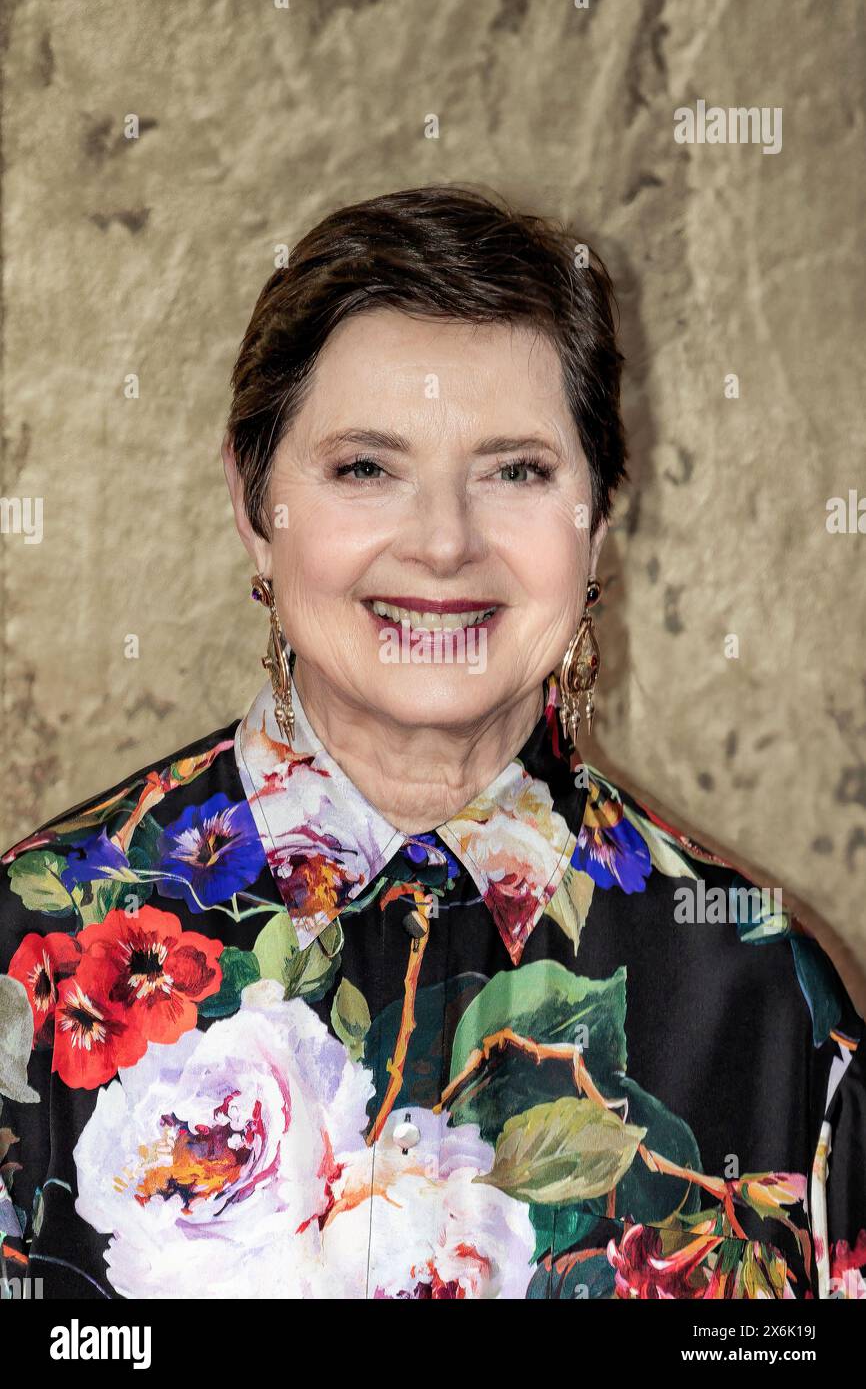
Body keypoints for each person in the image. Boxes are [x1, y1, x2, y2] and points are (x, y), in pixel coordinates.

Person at [1, 184, 863, 1300]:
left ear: (595, 516)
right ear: (252, 498)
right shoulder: (32, 950)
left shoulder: (758, 992)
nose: (445, 542)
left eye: (515, 471)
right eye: (366, 467)